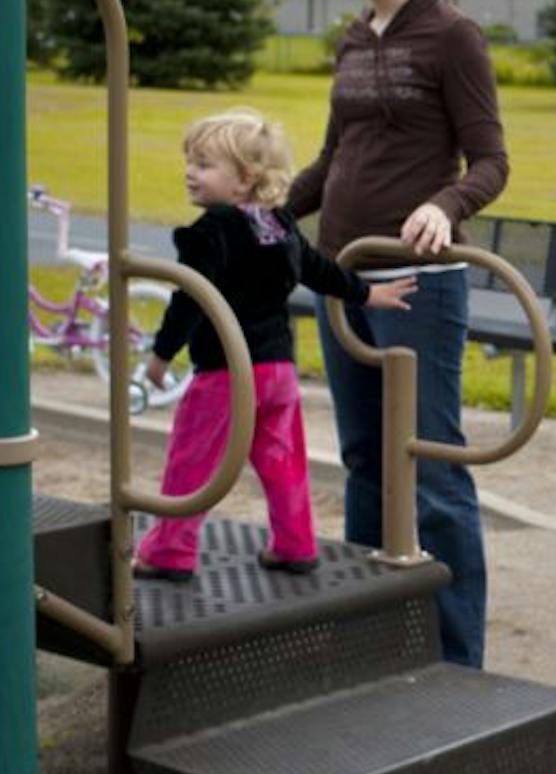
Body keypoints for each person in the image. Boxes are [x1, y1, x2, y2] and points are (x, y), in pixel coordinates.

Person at [286, 0, 509, 666]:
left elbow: (490, 161)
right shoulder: (353, 40)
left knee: (431, 468)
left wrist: (447, 206)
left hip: (417, 283)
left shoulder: (451, 35)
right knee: (363, 464)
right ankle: (370, 638)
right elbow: (331, 158)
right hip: (344, 279)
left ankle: (455, 661)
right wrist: (268, 216)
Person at [133, 109, 414, 582]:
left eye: (203, 164)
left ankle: (169, 553)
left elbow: (190, 299)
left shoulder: (212, 231)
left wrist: (162, 354)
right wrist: (367, 292)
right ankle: (294, 544)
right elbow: (317, 268)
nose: (190, 172)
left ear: (243, 180)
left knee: (193, 460)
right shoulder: (278, 224)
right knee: (283, 462)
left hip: (225, 373)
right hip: (277, 372)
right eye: (190, 161)